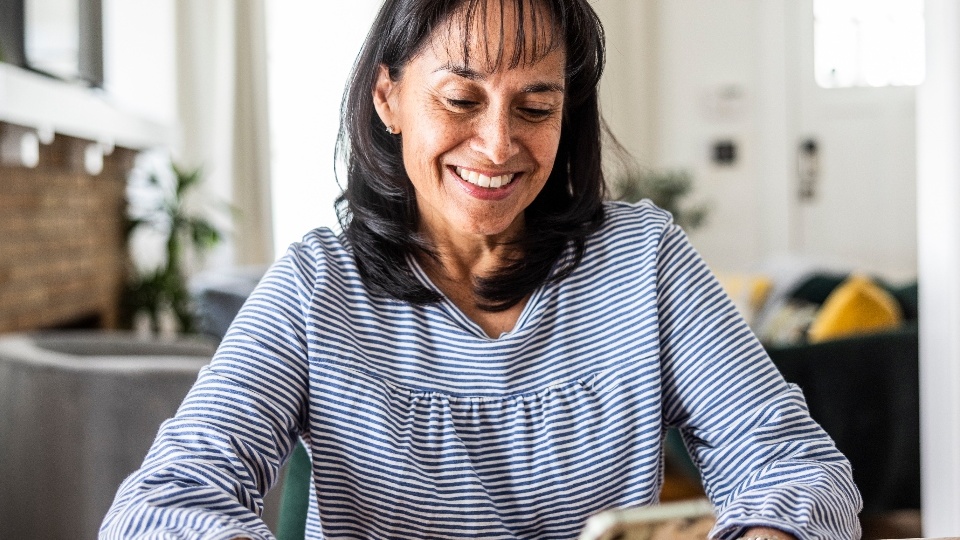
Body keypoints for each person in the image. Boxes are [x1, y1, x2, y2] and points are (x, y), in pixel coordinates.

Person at [101, 0, 862, 538]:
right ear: (388, 96)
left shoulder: (645, 262)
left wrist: (770, 530)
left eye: (535, 108)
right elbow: (161, 506)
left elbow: (798, 471)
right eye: (462, 98)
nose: (498, 146)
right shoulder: (315, 289)